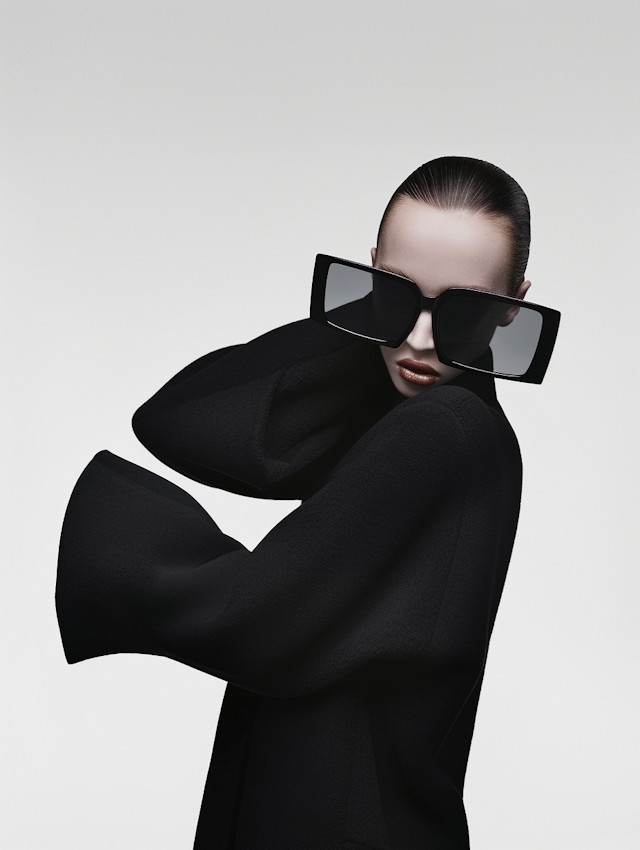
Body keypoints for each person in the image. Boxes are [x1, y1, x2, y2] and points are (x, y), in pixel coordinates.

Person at [55, 156, 560, 849]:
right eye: (397, 294)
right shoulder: (450, 426)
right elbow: (179, 419)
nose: (418, 341)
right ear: (374, 271)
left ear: (512, 306)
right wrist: (373, 320)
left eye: (463, 311)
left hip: (336, 820)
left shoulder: (444, 430)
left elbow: (254, 617)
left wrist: (102, 527)